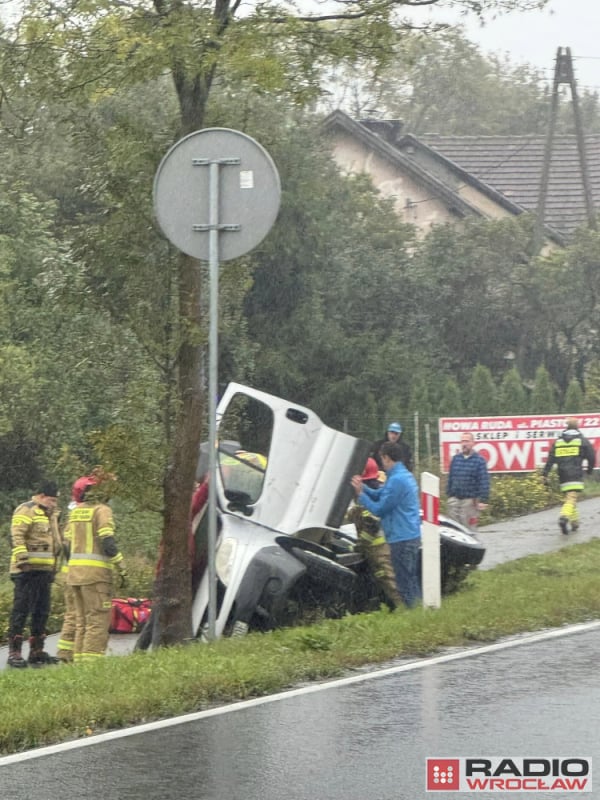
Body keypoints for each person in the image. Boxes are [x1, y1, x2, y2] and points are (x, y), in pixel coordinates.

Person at [351, 441, 421, 608]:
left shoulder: (397, 480)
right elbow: (380, 493)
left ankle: (414, 614)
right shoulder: (402, 475)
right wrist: (363, 487)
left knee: (403, 582)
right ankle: (419, 610)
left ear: (387, 458)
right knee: (410, 578)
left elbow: (380, 509)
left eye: (382, 459)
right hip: (410, 535)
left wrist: (361, 495)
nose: (381, 462)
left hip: (401, 537)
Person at [66, 473, 127, 662]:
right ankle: (91, 666)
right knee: (98, 620)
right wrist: (121, 566)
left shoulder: (75, 512)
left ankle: (79, 663)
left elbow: (66, 545)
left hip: (74, 575)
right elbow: (107, 541)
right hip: (95, 576)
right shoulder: (102, 510)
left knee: (82, 621)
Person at [7, 480, 63, 668]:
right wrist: (23, 562)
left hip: (44, 572)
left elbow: (55, 542)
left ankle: (37, 651)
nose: (53, 504)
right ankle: (14, 652)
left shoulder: (52, 515)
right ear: (40, 496)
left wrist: (55, 567)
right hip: (26, 572)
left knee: (42, 612)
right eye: (51, 500)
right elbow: (16, 536)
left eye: (55, 501)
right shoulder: (27, 510)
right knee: (21, 612)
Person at [347, 458, 403, 610]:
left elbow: (372, 525)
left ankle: (406, 612)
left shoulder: (370, 495)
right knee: (381, 581)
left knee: (390, 582)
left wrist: (360, 546)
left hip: (379, 548)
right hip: (377, 547)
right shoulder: (373, 491)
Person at [542, 417, 596, 535]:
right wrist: (589, 470)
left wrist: (545, 474)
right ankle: (564, 518)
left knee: (570, 497)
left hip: (562, 474)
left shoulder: (558, 441)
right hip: (575, 473)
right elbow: (592, 456)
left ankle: (575, 523)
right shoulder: (582, 440)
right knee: (571, 498)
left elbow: (550, 459)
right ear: (577, 426)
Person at [446, 433, 490, 531]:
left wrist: (483, 500)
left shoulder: (479, 460)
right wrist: (449, 495)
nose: (464, 444)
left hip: (470, 500)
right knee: (453, 529)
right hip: (454, 499)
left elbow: (484, 480)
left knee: (468, 529)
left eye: (467, 441)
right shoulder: (456, 459)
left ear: (473, 443)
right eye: (462, 441)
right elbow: (451, 477)